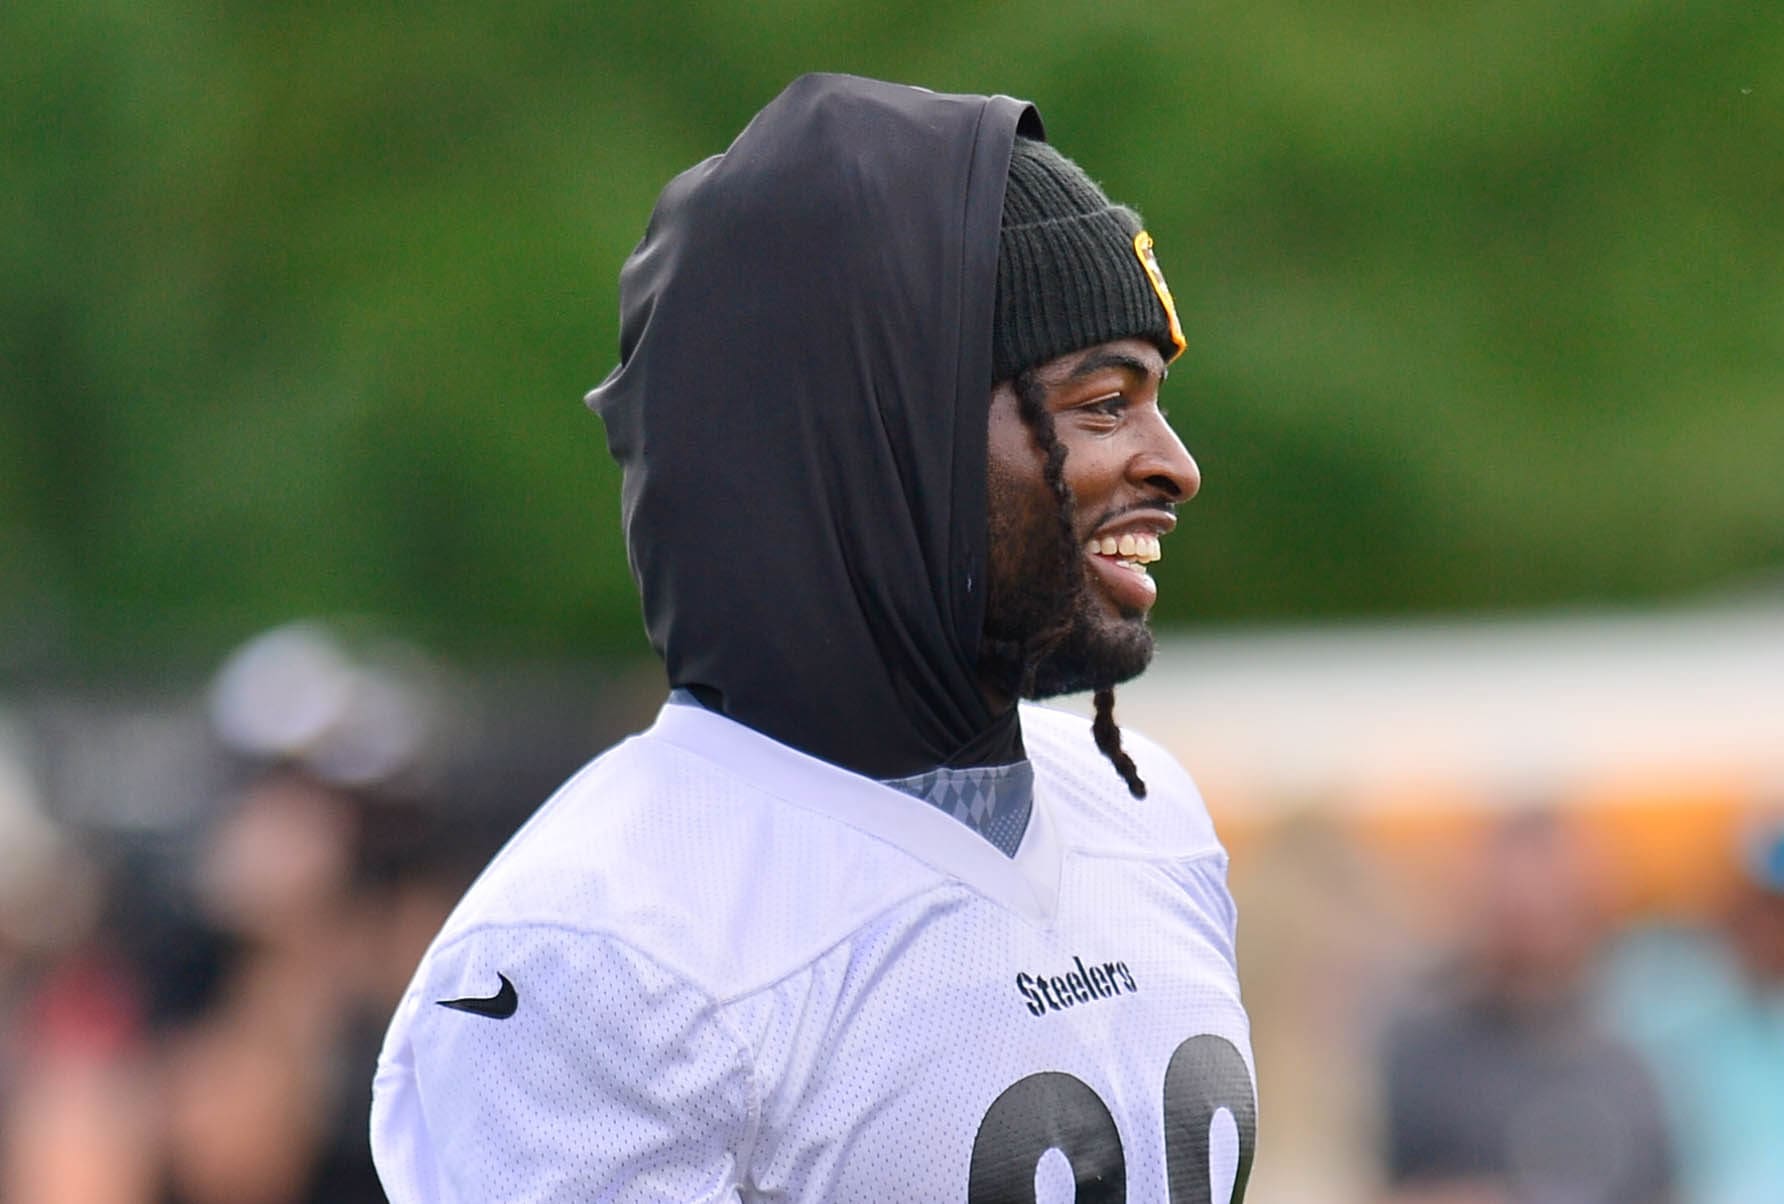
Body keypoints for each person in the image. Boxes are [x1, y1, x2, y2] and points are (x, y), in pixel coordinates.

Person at [371, 72, 1255, 1202]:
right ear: (888, 447)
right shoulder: (602, 945)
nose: (1172, 463)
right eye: (1099, 403)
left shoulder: (1146, 816)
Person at [1377, 810, 1674, 1204]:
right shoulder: (1421, 1053)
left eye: (1552, 907)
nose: (1533, 923)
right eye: (1515, 911)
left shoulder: (1627, 1059)